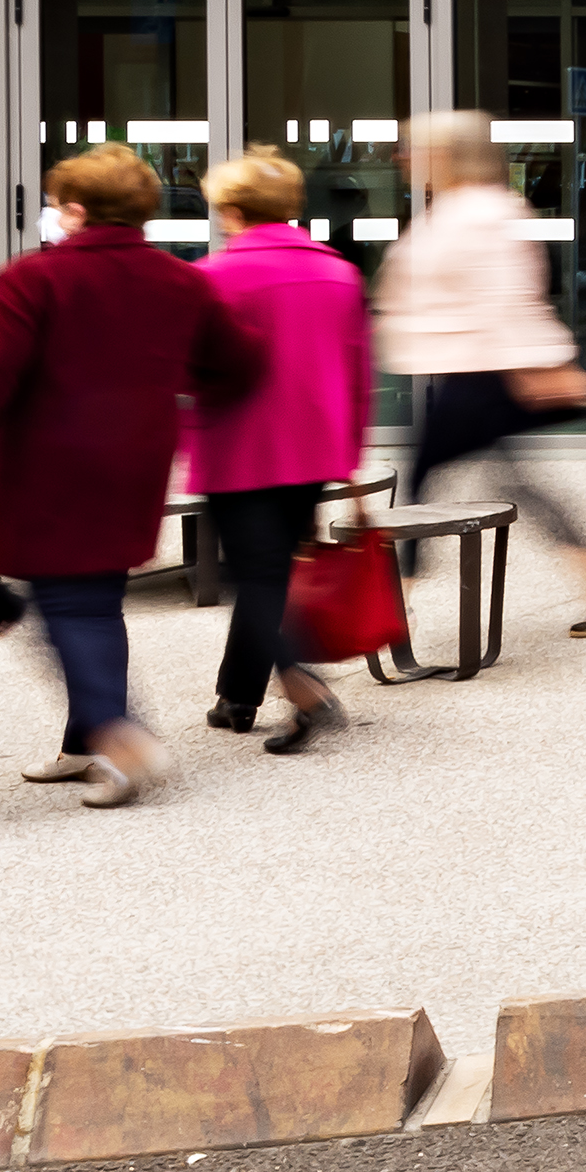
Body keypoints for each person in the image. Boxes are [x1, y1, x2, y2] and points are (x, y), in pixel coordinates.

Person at [0, 143, 268, 810]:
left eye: (56, 204)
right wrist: (165, 373)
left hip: (52, 465)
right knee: (95, 601)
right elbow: (240, 361)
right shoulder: (179, 280)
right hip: (134, 461)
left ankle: (120, 735)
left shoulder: (35, 279)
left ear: (75, 210)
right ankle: (83, 742)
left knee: (67, 606)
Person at [384, 112, 586, 638]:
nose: (401, 157)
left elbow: (509, 297)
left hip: (485, 370)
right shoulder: (454, 208)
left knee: (420, 479)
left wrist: (534, 367)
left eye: (413, 147)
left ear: (446, 154)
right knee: (511, 479)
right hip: (467, 367)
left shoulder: (483, 212)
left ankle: (392, 603)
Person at [183, 150, 373, 754]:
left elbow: (193, 369)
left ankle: (302, 685)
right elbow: (357, 370)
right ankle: (238, 696)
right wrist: (348, 450)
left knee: (254, 574)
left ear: (232, 211)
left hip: (238, 443)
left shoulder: (213, 276)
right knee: (272, 570)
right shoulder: (339, 273)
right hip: (314, 444)